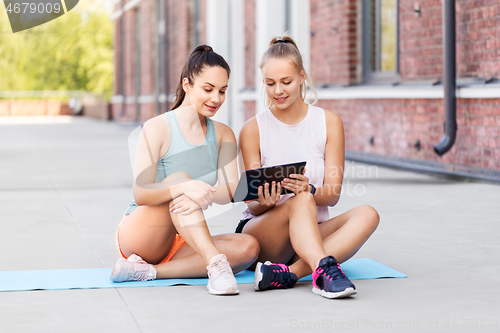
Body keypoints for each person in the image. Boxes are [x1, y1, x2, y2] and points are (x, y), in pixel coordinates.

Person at [237, 36, 380, 299]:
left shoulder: (329, 123)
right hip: (267, 233)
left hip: (311, 232)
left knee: (368, 214)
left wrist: (310, 188)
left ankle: (288, 274)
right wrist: (266, 202)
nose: (278, 91)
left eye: (286, 82)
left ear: (302, 77)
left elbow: (333, 195)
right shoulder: (252, 129)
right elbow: (252, 204)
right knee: (301, 200)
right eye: (270, 83)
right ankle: (324, 271)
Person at [110, 45, 259, 296]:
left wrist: (205, 192)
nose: (216, 99)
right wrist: (185, 186)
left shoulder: (223, 134)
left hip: (184, 236)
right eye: (208, 89)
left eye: (222, 91)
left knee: (249, 246)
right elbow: (141, 193)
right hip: (144, 233)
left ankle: (147, 272)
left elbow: (231, 190)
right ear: (187, 84)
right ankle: (216, 265)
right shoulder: (157, 127)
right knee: (181, 179)